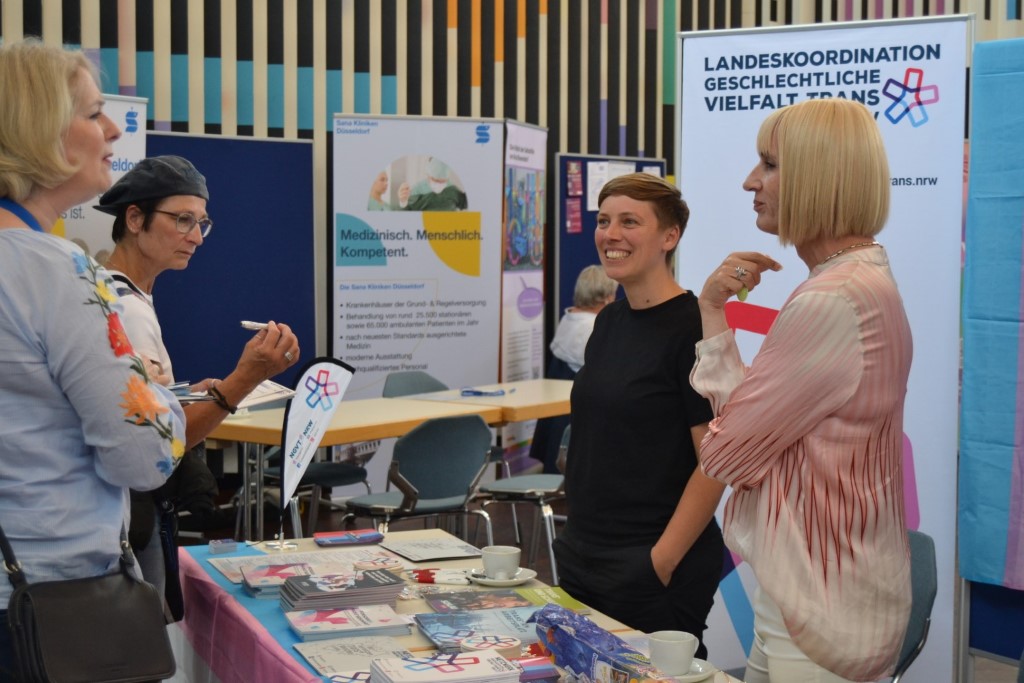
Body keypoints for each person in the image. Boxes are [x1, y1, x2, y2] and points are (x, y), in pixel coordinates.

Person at [690, 98, 912, 682]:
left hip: (822, 605)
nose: (750, 182)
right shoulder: (860, 278)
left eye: (769, 165)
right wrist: (713, 310)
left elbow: (725, 454)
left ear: (820, 175)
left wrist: (712, 318)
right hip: (815, 593)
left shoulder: (832, 299)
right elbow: (749, 435)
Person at [0, 39, 185, 675]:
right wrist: (160, 394)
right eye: (93, 112)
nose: (113, 129)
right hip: (53, 604)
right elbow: (145, 455)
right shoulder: (58, 271)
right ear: (40, 129)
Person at [95, 154, 301, 615]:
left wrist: (182, 394)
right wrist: (245, 379)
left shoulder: (118, 294)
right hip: (130, 519)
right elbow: (160, 444)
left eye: (202, 223)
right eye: (182, 220)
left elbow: (131, 407)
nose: (196, 236)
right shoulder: (127, 310)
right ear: (135, 219)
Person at [553, 173, 726, 659]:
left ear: (670, 236)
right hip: (583, 551)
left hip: (649, 561)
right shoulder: (610, 320)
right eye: (604, 221)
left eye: (630, 222)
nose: (611, 234)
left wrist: (660, 560)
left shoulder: (693, 327)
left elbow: (715, 462)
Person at [528, 264, 616, 473]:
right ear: (606, 298)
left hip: (556, 423)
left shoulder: (568, 319)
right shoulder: (594, 329)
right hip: (578, 423)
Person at [399, 157, 468, 211]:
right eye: (435, 180)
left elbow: (465, 204)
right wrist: (403, 202)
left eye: (442, 181)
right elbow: (406, 213)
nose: (439, 184)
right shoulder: (417, 191)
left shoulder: (453, 190)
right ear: (428, 175)